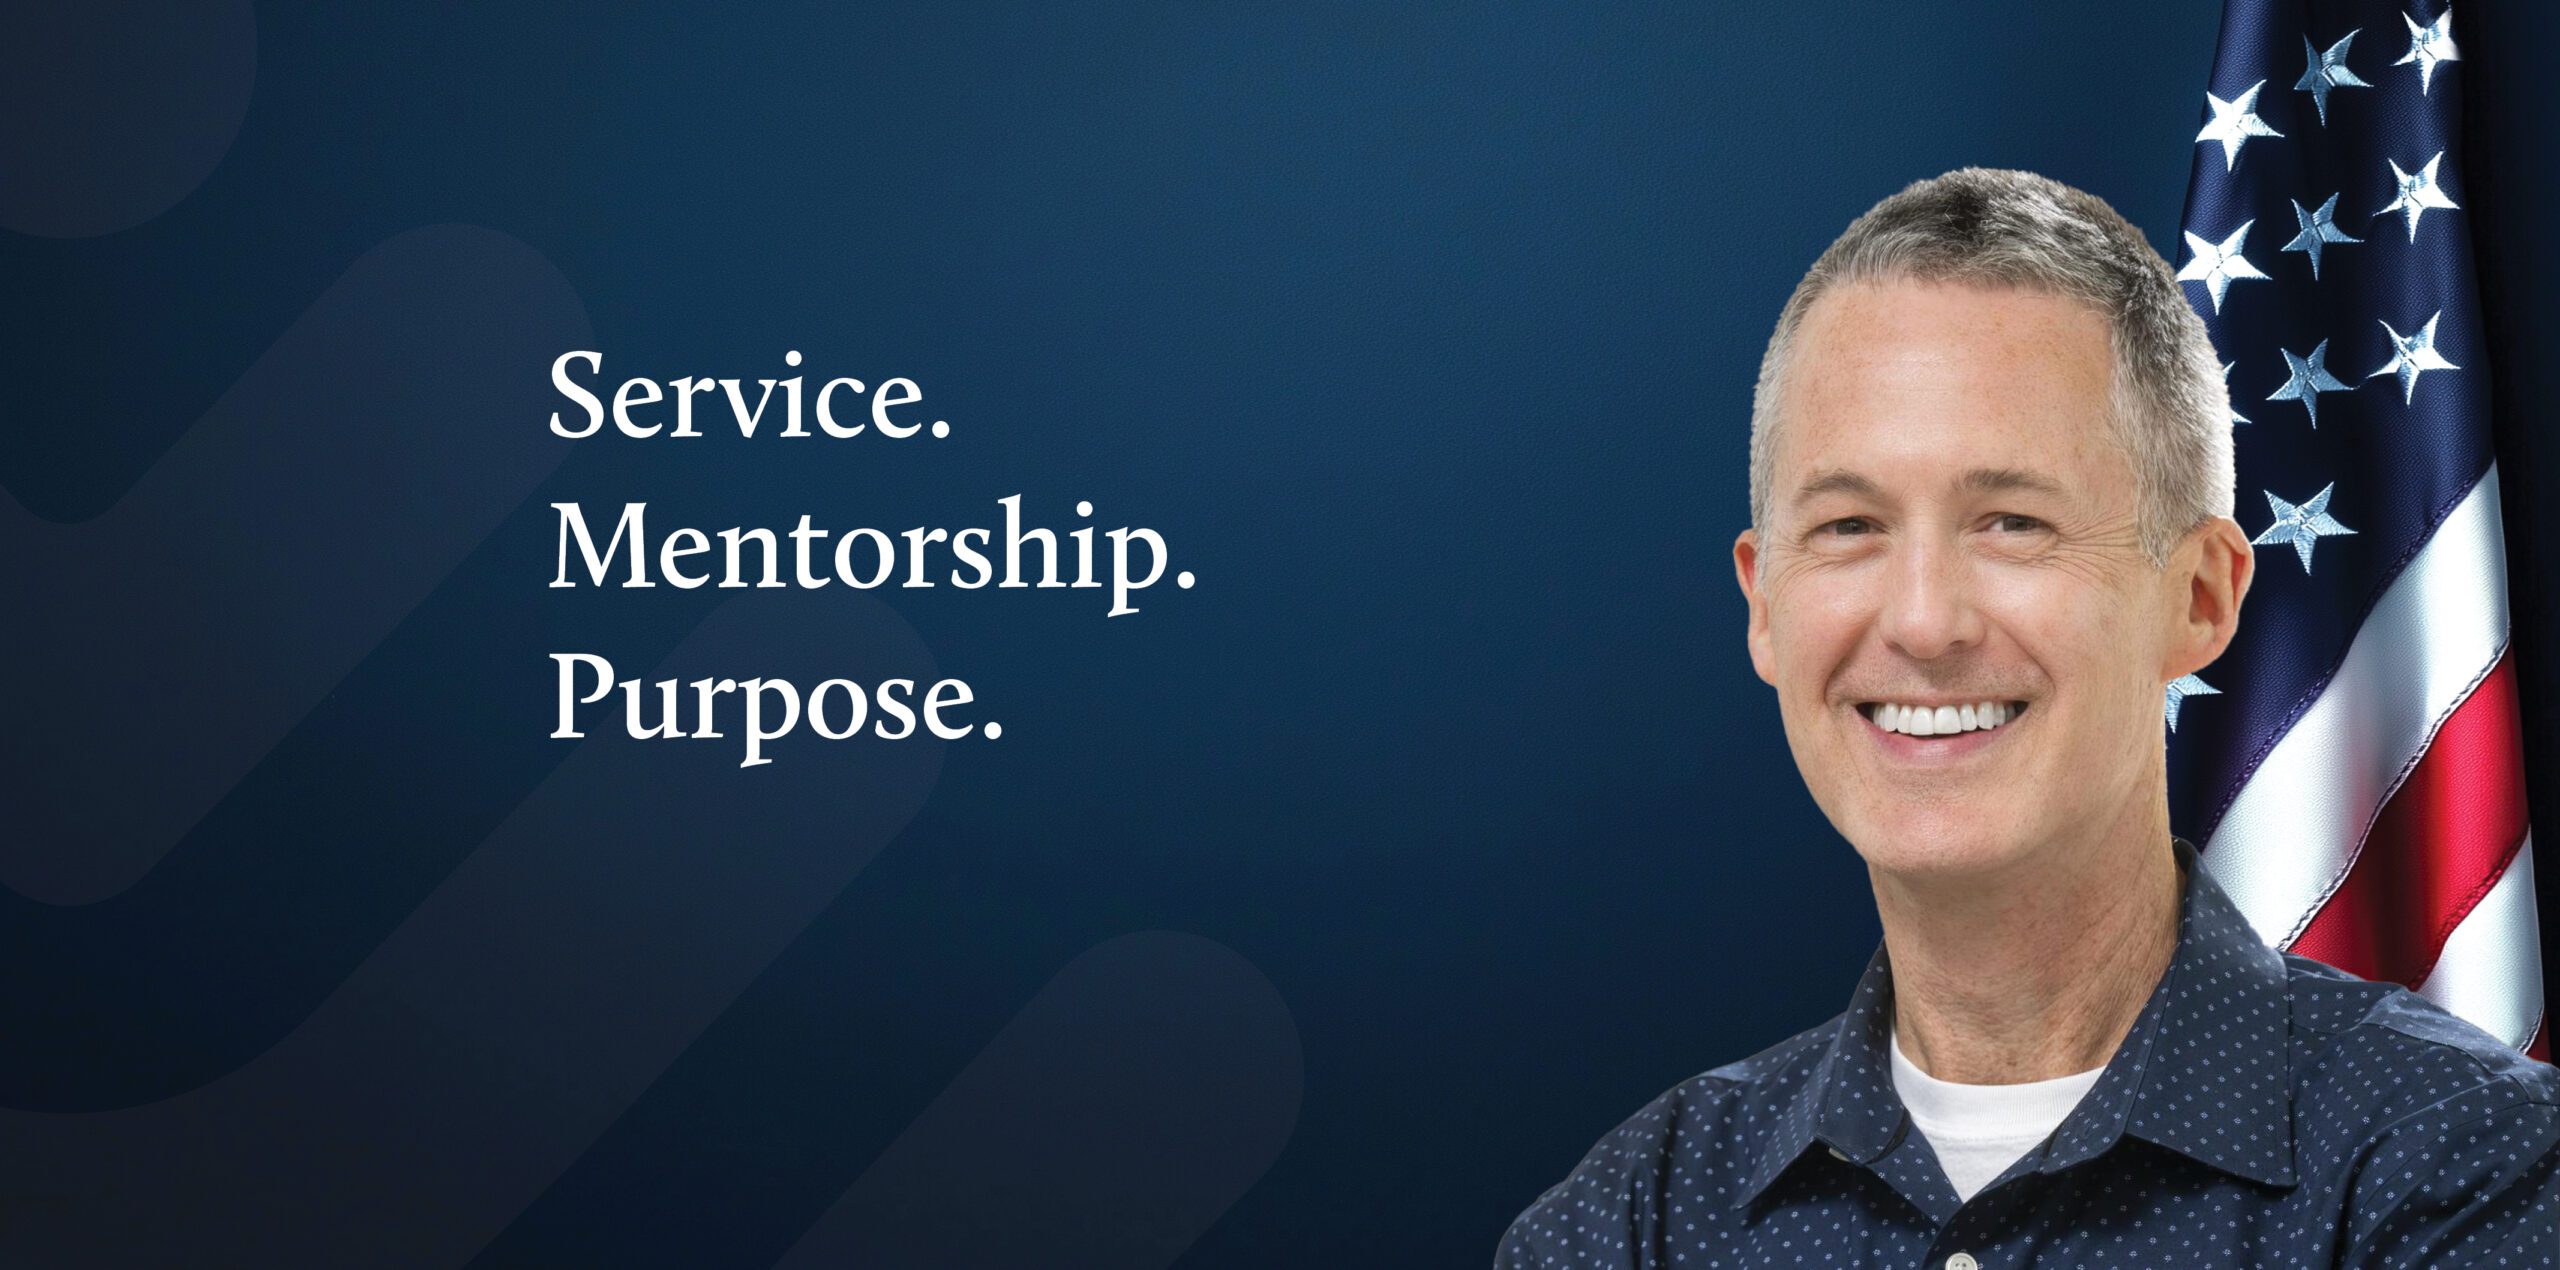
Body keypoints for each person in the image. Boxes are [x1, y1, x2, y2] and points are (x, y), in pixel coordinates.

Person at [1496, 168, 2560, 1268]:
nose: (1921, 620)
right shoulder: (1631, 1222)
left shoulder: (2469, 1169)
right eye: (1851, 525)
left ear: (2198, 595)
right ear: (1764, 605)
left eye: (2010, 522)